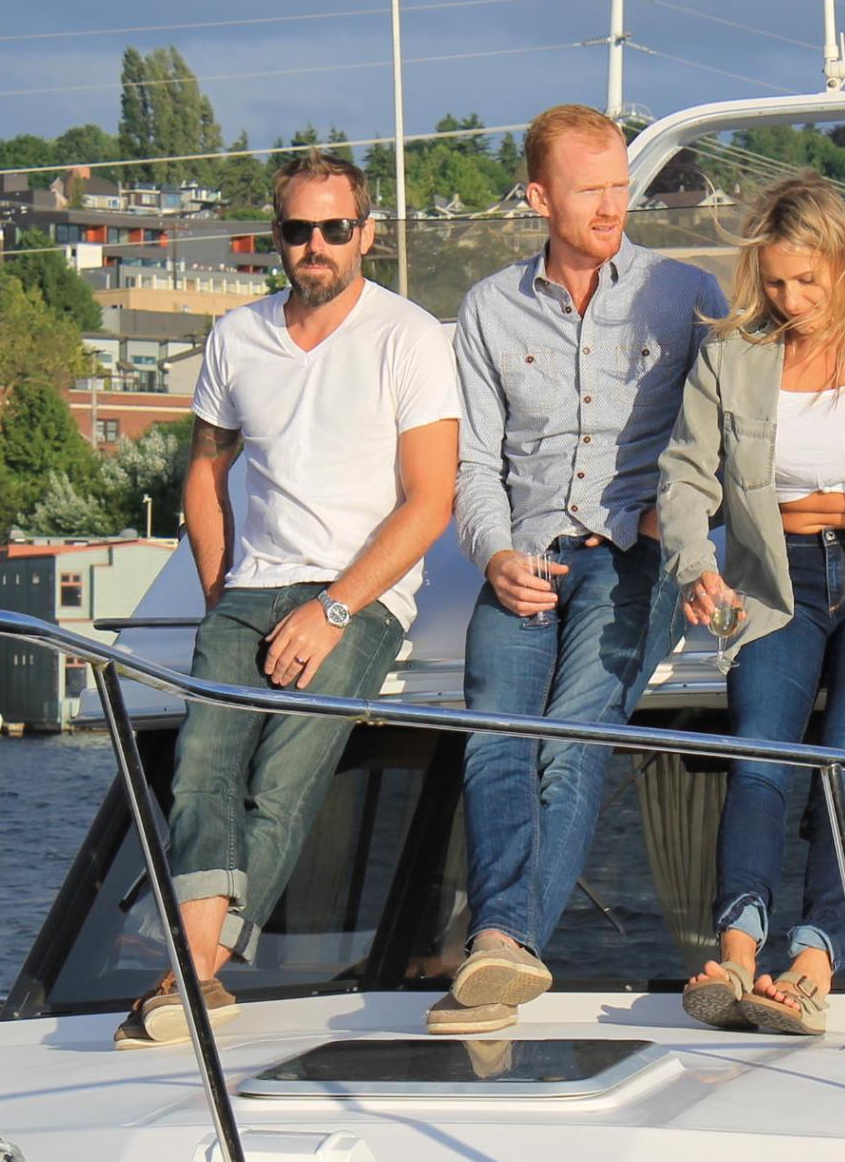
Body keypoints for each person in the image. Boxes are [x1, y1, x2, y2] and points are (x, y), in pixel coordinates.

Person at [116, 149, 459, 1050]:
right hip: (249, 591)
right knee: (200, 769)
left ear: (367, 235)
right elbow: (205, 468)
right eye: (299, 230)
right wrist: (220, 590)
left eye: (334, 229)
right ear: (277, 237)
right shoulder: (238, 338)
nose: (316, 246)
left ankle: (187, 976)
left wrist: (335, 608)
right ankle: (194, 979)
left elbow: (432, 500)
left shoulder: (410, 338)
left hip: (360, 600)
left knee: (281, 778)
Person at [438, 103, 727, 1034]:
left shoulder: (684, 296)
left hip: (634, 558)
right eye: (588, 188)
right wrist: (495, 553)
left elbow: (723, 437)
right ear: (538, 197)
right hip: (524, 552)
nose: (611, 206)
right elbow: (475, 462)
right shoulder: (487, 308)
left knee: (571, 742)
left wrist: (679, 520)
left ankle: (501, 941)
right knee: (494, 739)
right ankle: (505, 947)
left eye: (619, 186)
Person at [656, 174, 845, 1036]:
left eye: (807, 282)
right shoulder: (734, 352)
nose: (791, 300)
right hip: (772, 582)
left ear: (844, 263)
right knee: (758, 760)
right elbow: (685, 476)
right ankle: (737, 956)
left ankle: (817, 961)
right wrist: (691, 566)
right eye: (777, 282)